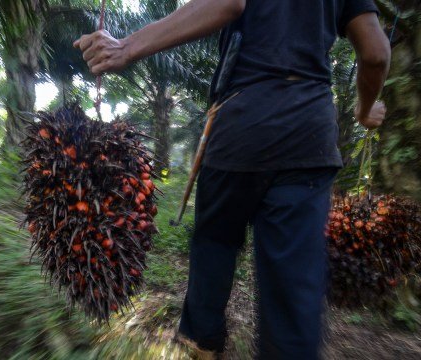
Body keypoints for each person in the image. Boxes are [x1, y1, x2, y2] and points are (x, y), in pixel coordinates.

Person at [73, 0, 390, 358]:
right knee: (293, 286)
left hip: (240, 127)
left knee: (214, 245)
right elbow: (376, 53)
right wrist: (364, 111)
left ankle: (201, 343)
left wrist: (127, 47)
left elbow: (227, 2)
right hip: (308, 135)